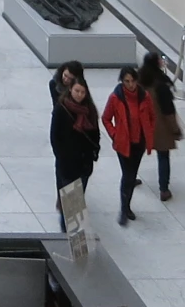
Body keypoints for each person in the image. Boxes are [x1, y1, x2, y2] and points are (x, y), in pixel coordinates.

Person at [102, 65, 157, 224]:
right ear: (122, 81)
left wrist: (149, 132)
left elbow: (152, 116)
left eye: (132, 81)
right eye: (127, 81)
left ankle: (126, 206)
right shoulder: (115, 97)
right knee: (128, 176)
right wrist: (114, 134)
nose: (130, 84)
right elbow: (106, 118)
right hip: (123, 143)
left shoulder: (144, 96)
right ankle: (124, 208)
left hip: (139, 143)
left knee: (131, 174)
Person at [49, 73, 101, 225]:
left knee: (77, 198)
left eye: (82, 92)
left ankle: (69, 226)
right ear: (70, 89)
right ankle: (67, 229)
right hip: (67, 162)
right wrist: (61, 155)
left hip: (84, 162)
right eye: (77, 91)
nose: (79, 95)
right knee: (71, 203)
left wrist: (94, 152)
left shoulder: (89, 110)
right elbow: (54, 136)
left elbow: (95, 133)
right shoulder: (61, 108)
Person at [141, 49, 183, 202]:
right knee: (163, 156)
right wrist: (175, 130)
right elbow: (168, 112)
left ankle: (130, 178)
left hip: (141, 124)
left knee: (136, 153)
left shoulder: (139, 82)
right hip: (160, 128)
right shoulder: (161, 86)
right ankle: (164, 189)